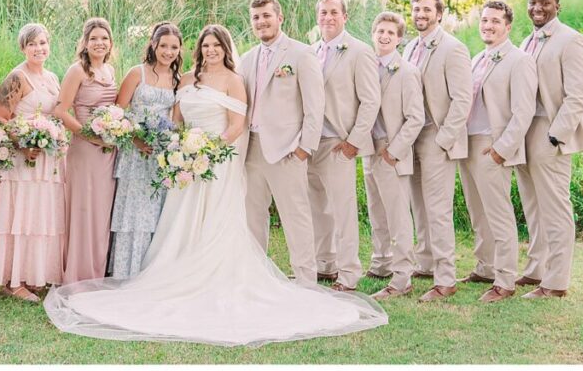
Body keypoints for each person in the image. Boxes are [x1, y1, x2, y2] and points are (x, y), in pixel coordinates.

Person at [43, 25, 387, 346]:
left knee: (216, 223)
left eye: (216, 46)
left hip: (215, 163)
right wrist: (181, 151)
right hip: (185, 164)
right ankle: (172, 275)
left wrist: (208, 152)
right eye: (205, 46)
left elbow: (237, 125)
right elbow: (176, 120)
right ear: (197, 50)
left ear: (225, 49)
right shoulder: (188, 78)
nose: (210, 51)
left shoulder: (235, 80)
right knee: (180, 221)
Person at [239, 0, 325, 285]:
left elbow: (315, 106)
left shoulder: (301, 54)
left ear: (280, 17)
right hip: (251, 149)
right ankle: (256, 277)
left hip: (287, 151)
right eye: (256, 18)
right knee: (253, 218)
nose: (261, 21)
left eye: (266, 15)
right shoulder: (247, 58)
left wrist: (304, 148)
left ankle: (306, 280)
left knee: (296, 216)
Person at [515, 0, 583, 299]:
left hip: (549, 130)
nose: (538, 7)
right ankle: (536, 269)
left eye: (544, 2)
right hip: (523, 130)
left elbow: (578, 96)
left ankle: (556, 282)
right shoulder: (525, 41)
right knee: (532, 205)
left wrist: (555, 136)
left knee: (555, 207)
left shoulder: (572, 40)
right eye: (533, 2)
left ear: (557, 6)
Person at [457, 0, 536, 302]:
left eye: (495, 21)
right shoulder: (478, 58)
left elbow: (523, 111)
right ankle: (485, 266)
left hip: (492, 145)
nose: (488, 25)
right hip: (468, 144)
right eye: (485, 20)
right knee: (478, 212)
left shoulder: (519, 60)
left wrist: (502, 150)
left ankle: (505, 280)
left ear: (507, 26)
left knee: (498, 215)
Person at [401, 0, 472, 302]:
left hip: (436, 137)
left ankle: (446, 278)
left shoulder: (453, 49)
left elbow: (462, 99)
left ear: (439, 14)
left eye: (427, 10)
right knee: (419, 204)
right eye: (416, 10)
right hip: (411, 136)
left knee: (438, 209)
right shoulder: (408, 49)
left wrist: (444, 139)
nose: (420, 15)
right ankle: (426, 261)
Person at [307, 0, 380, 291]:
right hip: (310, 143)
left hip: (339, 142)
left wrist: (354, 141)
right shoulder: (309, 51)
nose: (328, 17)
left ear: (344, 16)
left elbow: (371, 100)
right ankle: (325, 264)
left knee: (343, 210)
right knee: (317, 208)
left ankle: (349, 274)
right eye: (323, 12)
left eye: (334, 12)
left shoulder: (359, 51)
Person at [0, 23, 65, 301]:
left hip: (46, 160)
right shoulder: (16, 78)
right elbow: (0, 118)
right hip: (23, 159)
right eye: (32, 44)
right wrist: (23, 143)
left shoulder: (53, 77)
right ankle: (14, 280)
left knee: (39, 216)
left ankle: (34, 275)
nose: (39, 49)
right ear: (23, 48)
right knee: (20, 216)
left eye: (43, 43)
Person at [109, 23, 182, 279]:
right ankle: (125, 271)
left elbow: (176, 120)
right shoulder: (136, 73)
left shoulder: (177, 80)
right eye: (164, 46)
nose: (168, 52)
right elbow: (118, 113)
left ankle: (151, 271)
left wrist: (170, 146)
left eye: (174, 47)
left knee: (156, 211)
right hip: (135, 152)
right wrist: (137, 139)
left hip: (161, 155)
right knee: (135, 210)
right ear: (153, 44)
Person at [362, 12, 423, 300]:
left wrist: (394, 151)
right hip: (368, 148)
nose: (384, 36)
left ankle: (402, 278)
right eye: (380, 31)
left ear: (399, 38)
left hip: (390, 150)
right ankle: (381, 263)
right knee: (377, 212)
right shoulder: (366, 66)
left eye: (390, 32)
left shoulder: (407, 71)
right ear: (373, 34)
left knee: (398, 215)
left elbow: (416, 118)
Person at [54, 18, 119, 283]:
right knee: (84, 209)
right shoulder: (77, 70)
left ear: (110, 43)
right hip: (84, 148)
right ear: (85, 42)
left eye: (104, 38)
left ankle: (98, 270)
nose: (99, 43)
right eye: (94, 38)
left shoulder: (111, 71)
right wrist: (90, 136)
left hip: (108, 152)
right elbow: (60, 110)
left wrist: (114, 133)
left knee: (102, 211)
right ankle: (80, 273)